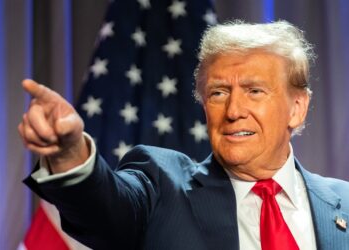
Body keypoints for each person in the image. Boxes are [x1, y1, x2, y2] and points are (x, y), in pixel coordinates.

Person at [19, 20, 349, 250]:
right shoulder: (163, 188)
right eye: (218, 92)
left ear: (297, 108)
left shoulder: (344, 205)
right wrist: (68, 154)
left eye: (254, 91)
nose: (233, 110)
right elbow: (105, 208)